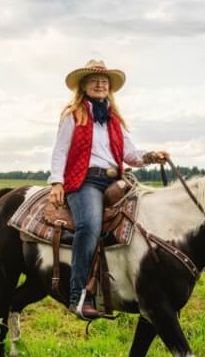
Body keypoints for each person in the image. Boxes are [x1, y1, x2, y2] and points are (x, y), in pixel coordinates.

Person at [48, 60, 170, 320]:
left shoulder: (114, 120)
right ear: (83, 86)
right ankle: (79, 295)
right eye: (94, 80)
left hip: (116, 179)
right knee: (90, 225)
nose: (100, 84)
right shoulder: (74, 114)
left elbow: (129, 154)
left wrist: (151, 156)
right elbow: (60, 150)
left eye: (104, 82)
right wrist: (56, 181)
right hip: (85, 181)